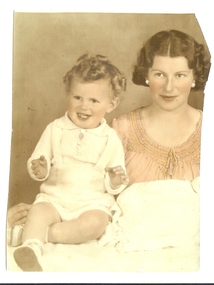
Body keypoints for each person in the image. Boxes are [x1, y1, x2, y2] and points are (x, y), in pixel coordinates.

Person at [8, 29, 211, 257]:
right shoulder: (120, 129)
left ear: (196, 77)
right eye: (159, 74)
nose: (169, 87)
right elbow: (81, 188)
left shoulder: (209, 130)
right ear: (146, 75)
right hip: (130, 251)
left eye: (180, 75)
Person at [10, 53, 129, 271]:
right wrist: (40, 167)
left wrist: (114, 180)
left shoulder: (111, 138)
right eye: (77, 98)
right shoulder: (55, 128)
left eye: (94, 100)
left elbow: (117, 182)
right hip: (55, 198)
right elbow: (37, 162)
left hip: (90, 202)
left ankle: (41, 234)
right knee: (39, 211)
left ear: (111, 104)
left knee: (96, 224)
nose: (84, 106)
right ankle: (31, 247)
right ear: (69, 94)